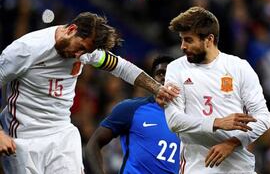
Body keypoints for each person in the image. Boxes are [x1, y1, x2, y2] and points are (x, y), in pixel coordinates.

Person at [0, 12, 179, 174]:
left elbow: (122, 68)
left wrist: (157, 88)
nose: (80, 55)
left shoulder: (86, 51)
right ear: (71, 29)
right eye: (80, 48)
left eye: (86, 52)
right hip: (24, 137)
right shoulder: (25, 50)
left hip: (61, 134)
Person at [164, 6, 270, 173]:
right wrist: (217, 123)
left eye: (189, 40)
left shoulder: (239, 67)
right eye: (182, 40)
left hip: (239, 168)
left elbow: (263, 117)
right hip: (198, 167)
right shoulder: (176, 69)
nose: (182, 47)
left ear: (209, 39)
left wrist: (233, 143)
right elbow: (174, 121)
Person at [85, 55, 180, 174]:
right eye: (160, 73)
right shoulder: (131, 109)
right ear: (152, 80)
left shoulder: (188, 118)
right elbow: (93, 144)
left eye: (170, 74)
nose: (164, 78)